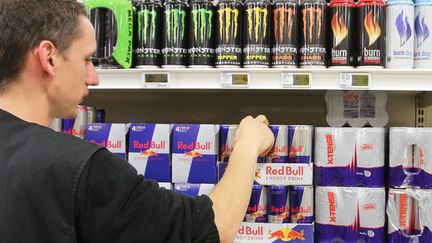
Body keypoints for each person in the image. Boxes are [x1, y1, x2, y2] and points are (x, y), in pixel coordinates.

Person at [0, 0, 274, 242]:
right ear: (49, 57)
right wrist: (248, 145)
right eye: (87, 59)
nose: (93, 77)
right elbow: (214, 229)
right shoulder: (79, 168)